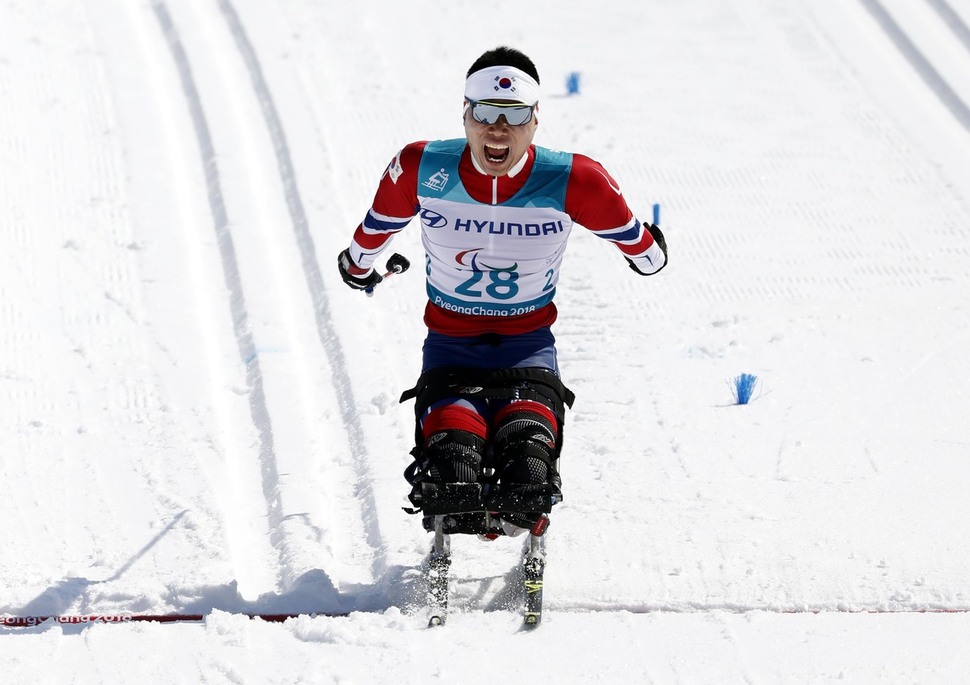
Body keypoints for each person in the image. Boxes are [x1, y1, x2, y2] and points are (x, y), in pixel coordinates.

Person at [338, 46, 667, 537]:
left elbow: (645, 254)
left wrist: (647, 248)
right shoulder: (422, 166)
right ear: (465, 114)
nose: (497, 129)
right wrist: (358, 265)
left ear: (535, 120)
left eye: (513, 116)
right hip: (451, 347)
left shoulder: (575, 179)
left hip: (528, 347)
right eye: (485, 113)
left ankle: (519, 503)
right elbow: (370, 234)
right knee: (451, 474)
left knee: (528, 476)